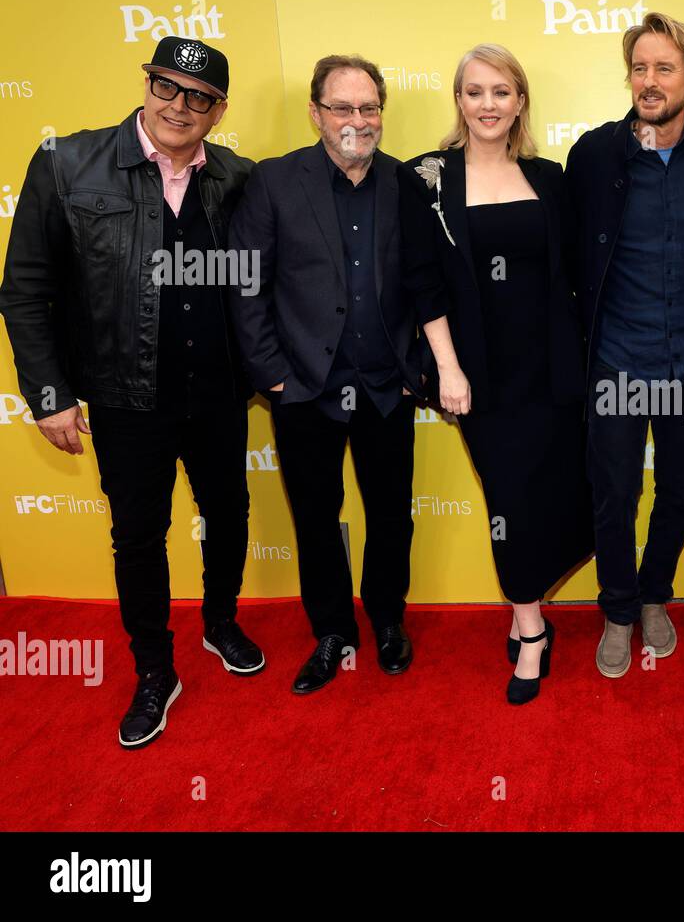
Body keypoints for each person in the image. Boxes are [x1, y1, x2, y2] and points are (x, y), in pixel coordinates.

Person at [0, 38, 261, 749]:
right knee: (139, 536)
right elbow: (25, 290)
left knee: (228, 514)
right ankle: (154, 668)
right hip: (124, 397)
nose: (180, 105)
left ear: (218, 110)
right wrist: (49, 393)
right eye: (166, 86)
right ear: (146, 85)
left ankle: (220, 622)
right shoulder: (67, 163)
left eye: (199, 96)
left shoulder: (237, 177)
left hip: (218, 392)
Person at [229, 55, 430, 694]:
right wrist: (273, 376)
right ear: (316, 112)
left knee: (392, 514)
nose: (356, 120)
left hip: (387, 386)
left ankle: (388, 619)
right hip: (305, 388)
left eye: (368, 107)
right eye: (342, 107)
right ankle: (333, 631)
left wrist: (417, 371)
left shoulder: (407, 182)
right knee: (316, 517)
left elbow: (434, 283)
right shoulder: (274, 181)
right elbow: (246, 283)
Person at [399, 44, 593, 705]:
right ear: (458, 100)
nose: (488, 104)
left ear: (520, 102)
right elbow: (423, 283)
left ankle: (523, 605)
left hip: (553, 368)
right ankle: (532, 628)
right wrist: (447, 369)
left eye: (501, 92)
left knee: (557, 494)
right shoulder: (427, 178)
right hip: (480, 373)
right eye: (475, 91)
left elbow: (574, 272)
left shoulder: (549, 177)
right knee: (508, 498)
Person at [564, 12, 684, 678]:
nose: (649, 80)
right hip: (617, 359)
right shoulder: (594, 155)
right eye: (640, 67)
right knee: (614, 492)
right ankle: (617, 608)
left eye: (665, 68)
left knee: (677, 492)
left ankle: (655, 593)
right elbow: (570, 257)